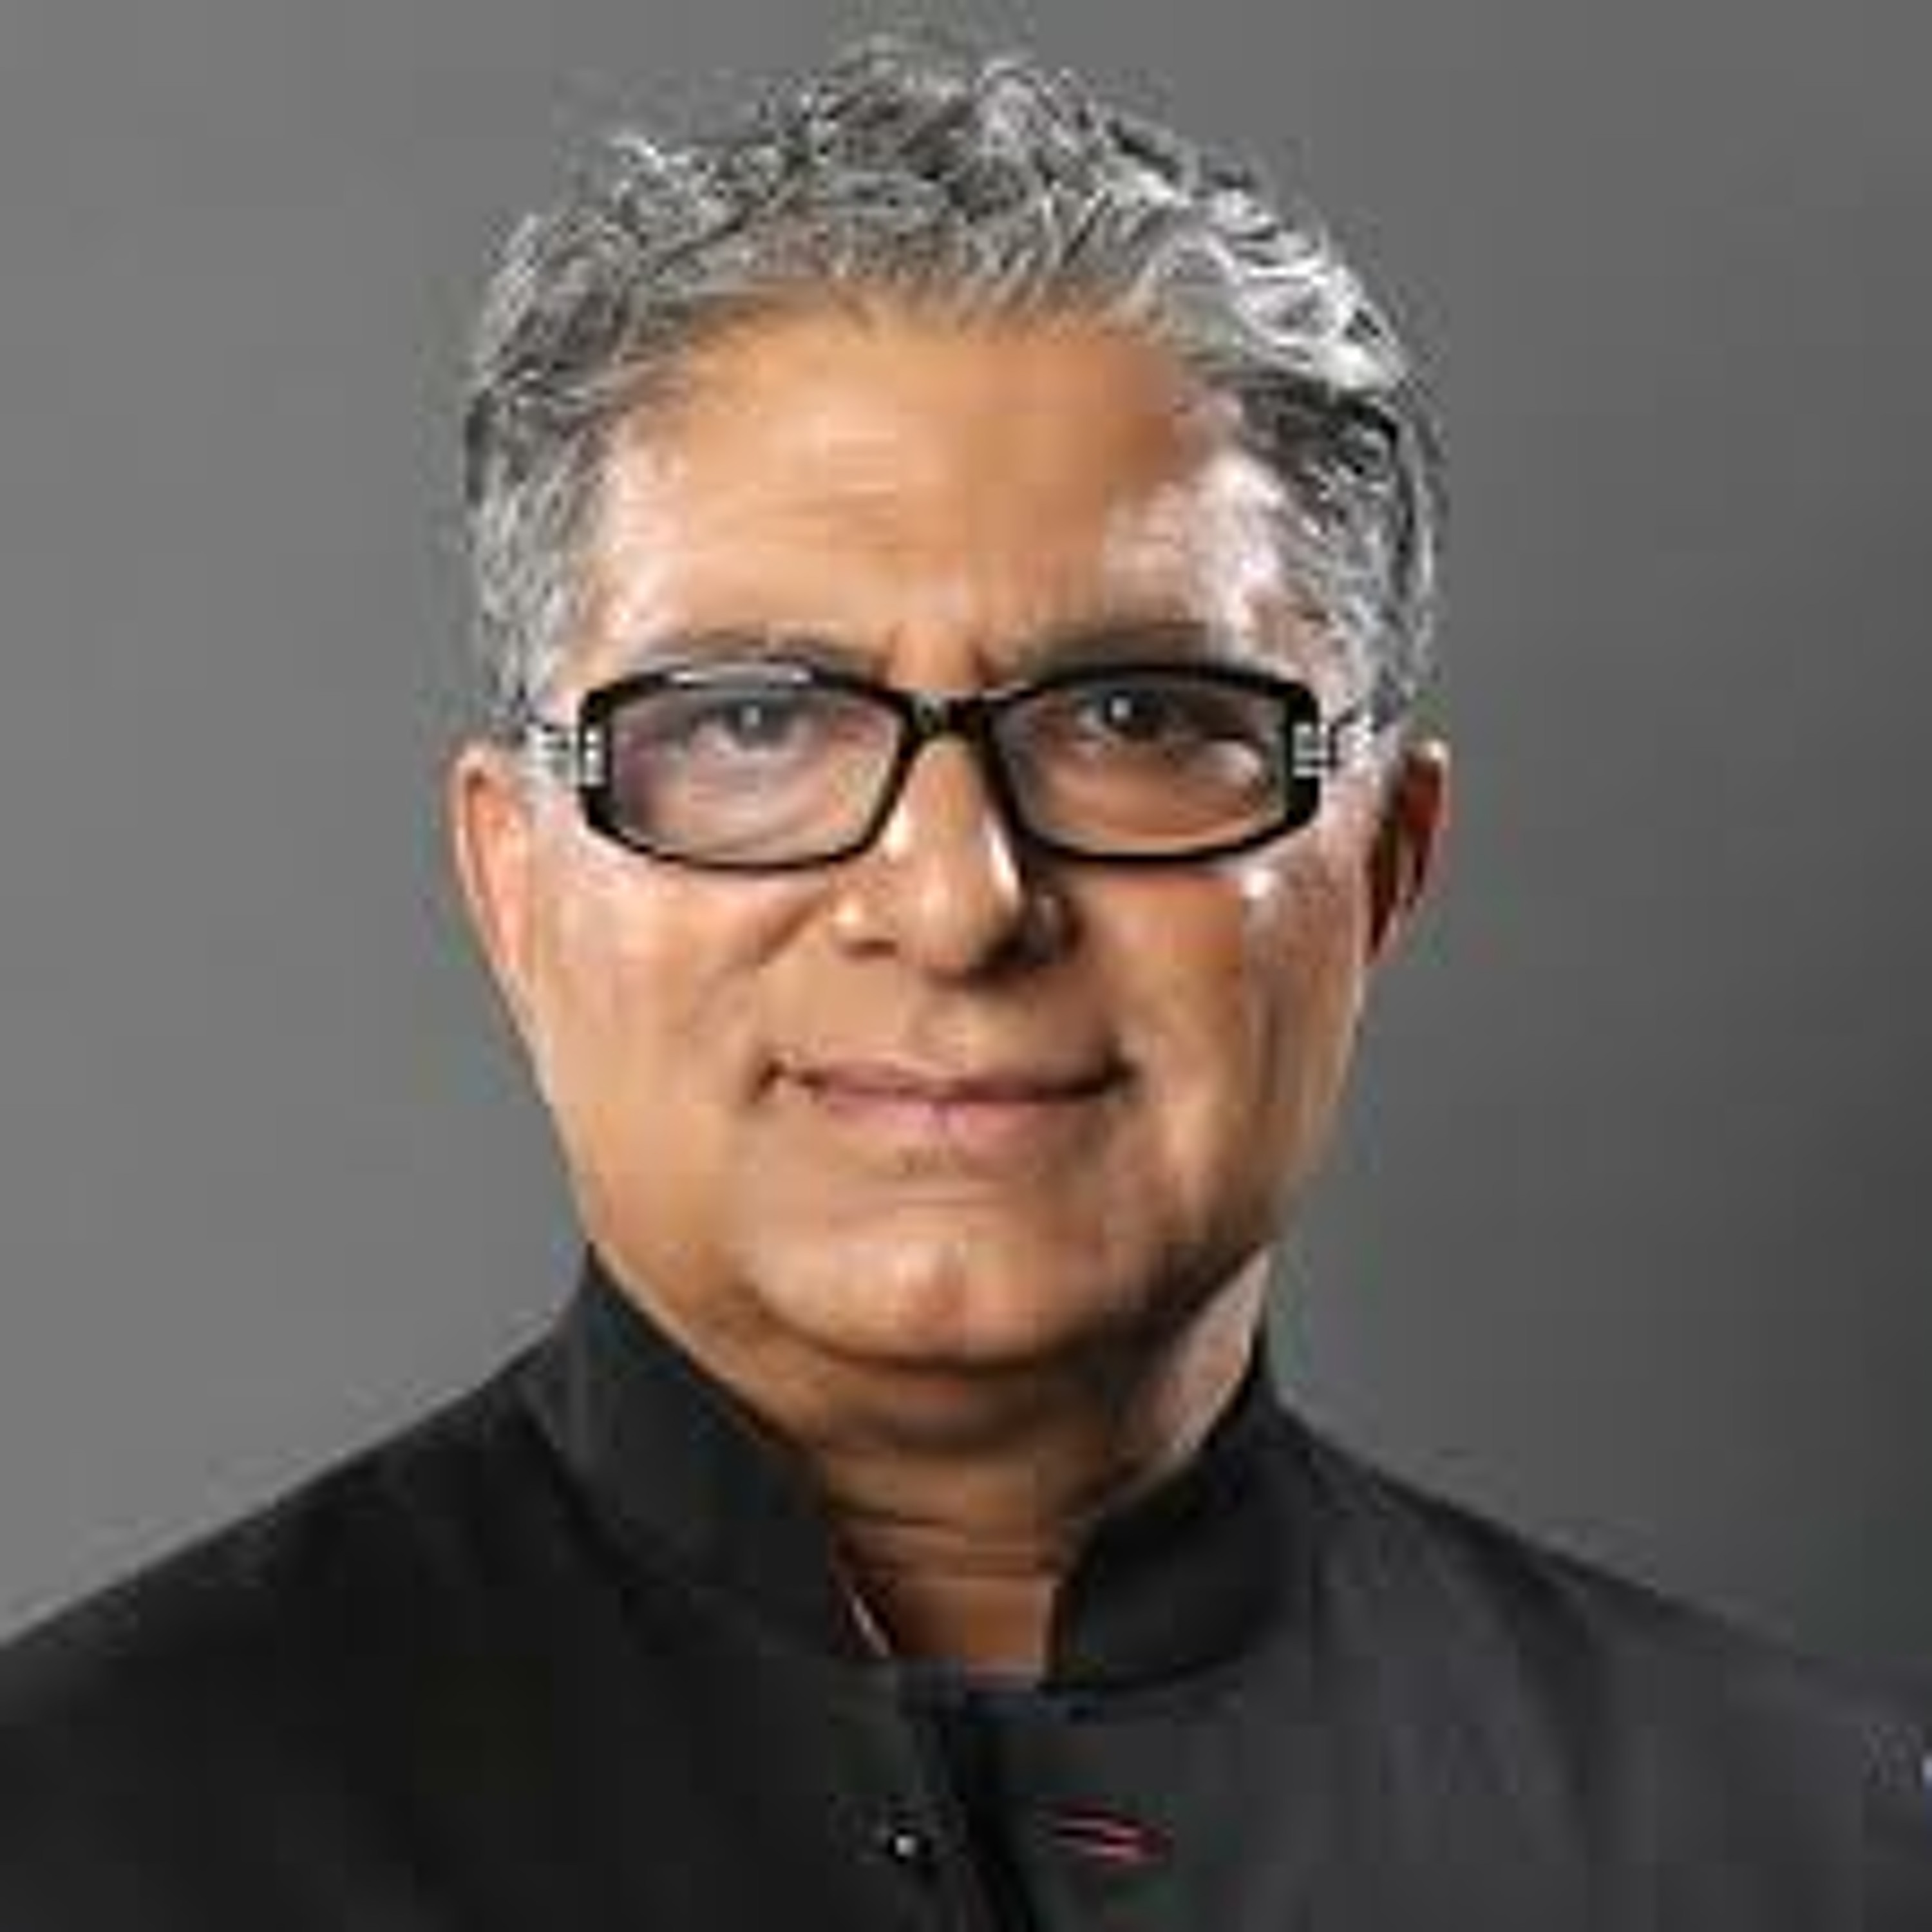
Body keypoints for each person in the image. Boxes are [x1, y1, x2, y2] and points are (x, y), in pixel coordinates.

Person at [0, 31, 1925, 1929]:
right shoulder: (78, 1839)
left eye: (1135, 717)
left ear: (1386, 868)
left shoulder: (1802, 1851)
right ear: (517, 886)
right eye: (754, 721)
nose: (953, 902)